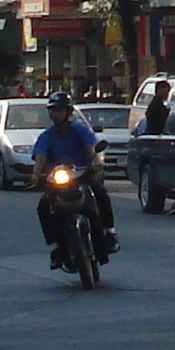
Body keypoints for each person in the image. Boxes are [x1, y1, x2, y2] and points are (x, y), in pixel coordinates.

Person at [28, 91, 117, 265]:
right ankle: (56, 246)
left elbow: (91, 151)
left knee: (100, 193)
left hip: (82, 175)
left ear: (68, 112)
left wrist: (96, 162)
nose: (56, 114)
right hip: (58, 179)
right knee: (43, 206)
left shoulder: (80, 131)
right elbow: (40, 157)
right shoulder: (47, 136)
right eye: (53, 110)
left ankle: (110, 232)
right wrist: (35, 175)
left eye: (60, 110)